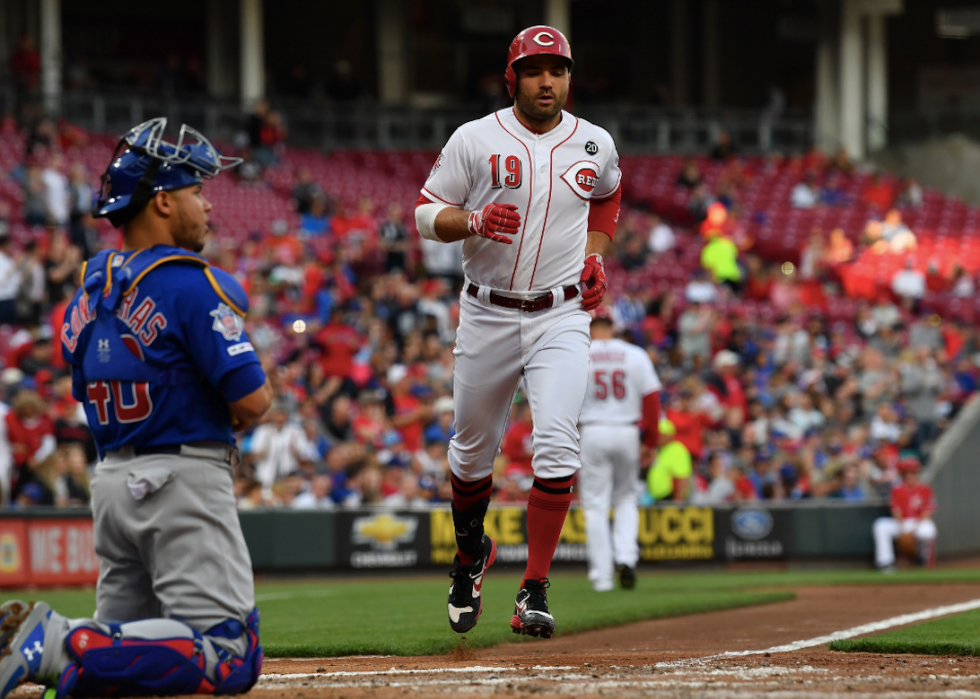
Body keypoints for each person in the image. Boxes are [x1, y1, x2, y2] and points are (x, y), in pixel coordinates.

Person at [0, 117, 273, 699]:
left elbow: (89, 393)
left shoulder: (88, 293)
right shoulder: (189, 284)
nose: (207, 205)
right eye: (196, 190)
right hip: (181, 479)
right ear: (164, 201)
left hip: (112, 485)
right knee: (229, 655)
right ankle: (52, 641)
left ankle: (60, 653)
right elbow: (254, 399)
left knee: (118, 663)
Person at [415, 25, 621, 639]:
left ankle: (534, 587)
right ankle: (470, 555)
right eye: (534, 71)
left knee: (558, 446)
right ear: (513, 79)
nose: (546, 81)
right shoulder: (474, 137)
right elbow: (425, 213)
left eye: (557, 70)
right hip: (488, 311)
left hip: (563, 312)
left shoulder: (594, 142)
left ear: (569, 77)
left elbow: (607, 197)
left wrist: (596, 255)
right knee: (471, 454)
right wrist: (473, 219)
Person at [578, 307, 661, 592]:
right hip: (627, 430)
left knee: (595, 506)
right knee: (626, 497)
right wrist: (651, 441)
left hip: (593, 430)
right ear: (612, 326)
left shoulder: (579, 352)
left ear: (589, 325)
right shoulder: (634, 354)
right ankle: (626, 557)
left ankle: (602, 577)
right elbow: (651, 399)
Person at [873, 457, 937, 571]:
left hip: (918, 523)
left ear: (917, 473)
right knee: (880, 525)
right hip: (902, 523)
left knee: (928, 530)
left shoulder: (925, 489)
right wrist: (903, 529)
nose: (909, 475)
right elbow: (896, 511)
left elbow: (927, 512)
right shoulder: (897, 489)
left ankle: (923, 559)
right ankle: (885, 562)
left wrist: (913, 530)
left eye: (912, 472)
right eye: (906, 473)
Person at [647, 418, 692, 501]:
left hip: (669, 500)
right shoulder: (662, 450)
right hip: (656, 499)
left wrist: (677, 502)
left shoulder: (676, 450)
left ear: (669, 435)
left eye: (661, 434)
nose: (657, 437)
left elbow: (682, 478)